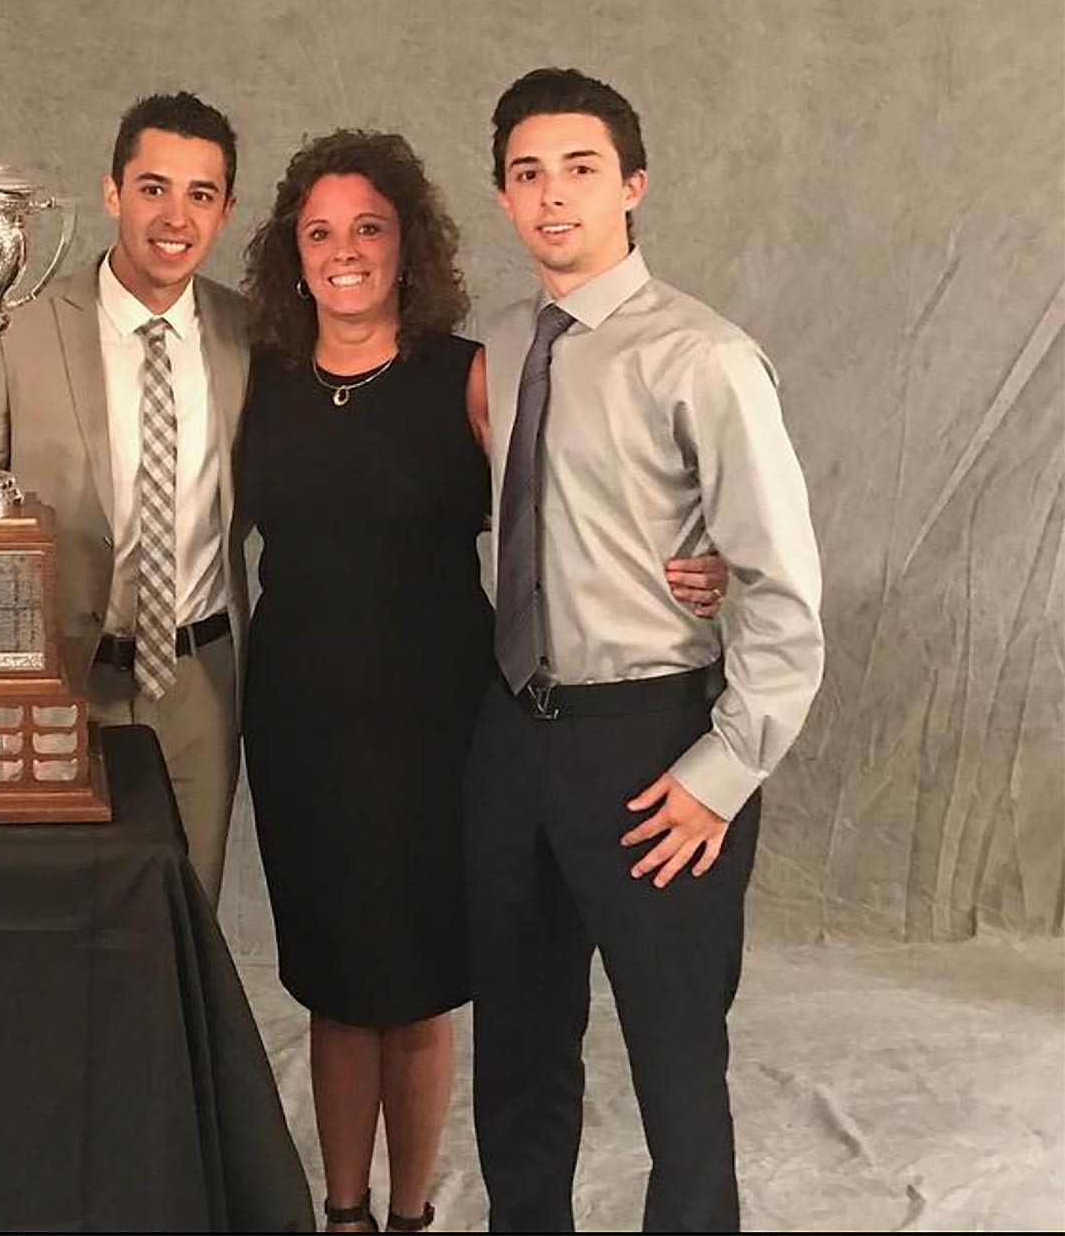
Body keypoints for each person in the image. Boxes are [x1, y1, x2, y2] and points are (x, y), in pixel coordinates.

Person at [236, 130, 728, 1234]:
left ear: (407, 242)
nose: (344, 249)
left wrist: (713, 556)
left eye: (369, 226)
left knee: (415, 974)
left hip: (439, 721)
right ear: (291, 251)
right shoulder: (256, 378)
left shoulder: (469, 372)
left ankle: (408, 1210)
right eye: (319, 230)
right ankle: (344, 1209)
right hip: (299, 723)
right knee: (330, 972)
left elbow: (577, 501)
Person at [468, 68, 824, 1232]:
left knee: (677, 1073)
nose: (550, 194)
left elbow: (778, 593)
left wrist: (720, 774)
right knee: (518, 1055)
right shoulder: (506, 341)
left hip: (655, 747)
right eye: (525, 173)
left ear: (632, 183)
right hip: (516, 734)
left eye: (577, 167)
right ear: (503, 197)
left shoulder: (705, 357)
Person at [0, 91, 249, 903]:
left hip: (199, 683)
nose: (176, 216)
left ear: (225, 210)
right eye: (154, 187)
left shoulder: (246, 335)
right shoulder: (18, 328)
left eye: (202, 194)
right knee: (66, 919)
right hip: (63, 676)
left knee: (185, 916)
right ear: (112, 192)